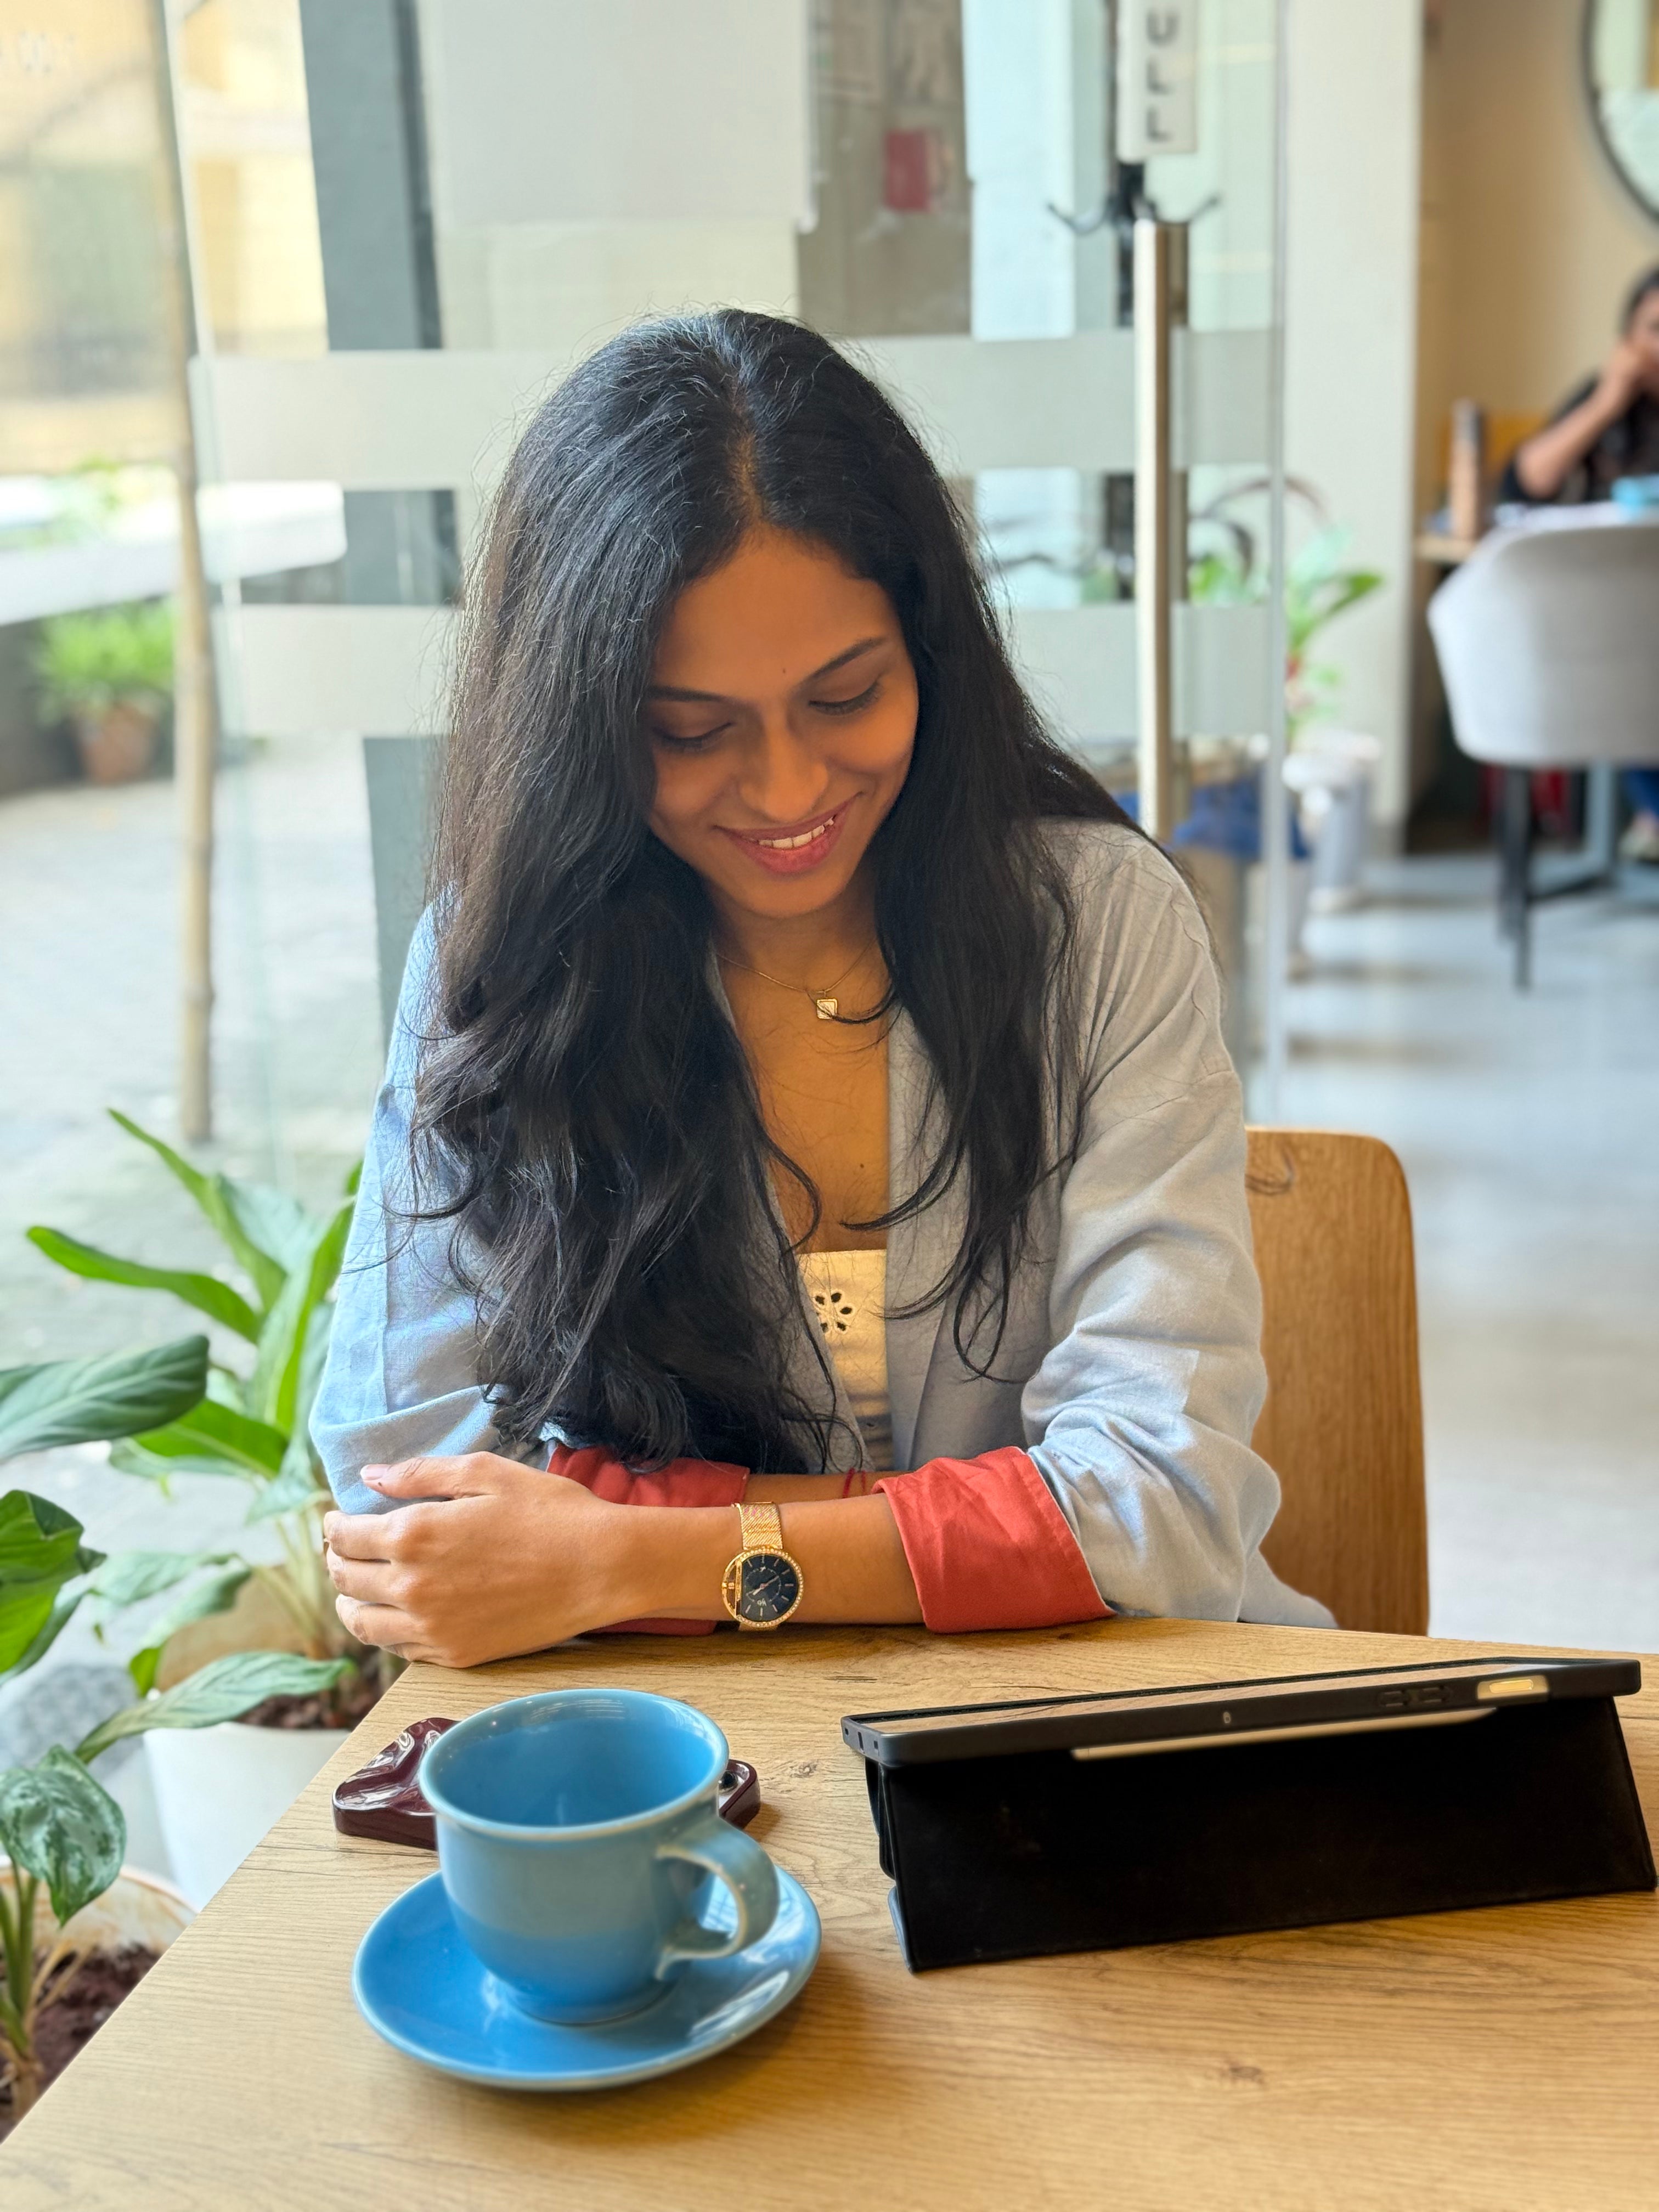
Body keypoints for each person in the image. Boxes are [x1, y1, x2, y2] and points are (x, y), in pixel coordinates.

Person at [312, 309, 1330, 1667]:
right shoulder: (496, 963)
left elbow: (1163, 1509)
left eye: (847, 697)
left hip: (1073, 1718)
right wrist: (976, 1527)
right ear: (582, 729)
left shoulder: (1100, 924)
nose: (790, 790)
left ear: (928, 651)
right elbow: (410, 1495)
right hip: (676, 1748)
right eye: (690, 731)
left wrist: (627, 1551)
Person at [1502, 264, 1659, 862]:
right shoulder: (1603, 402)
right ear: (1627, 340)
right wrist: (1608, 399)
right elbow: (1527, 480)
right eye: (1654, 328)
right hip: (1606, 633)